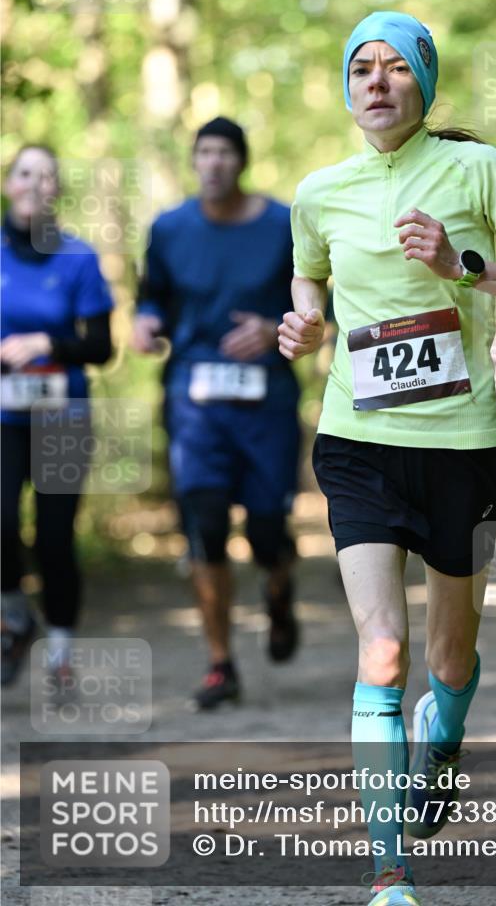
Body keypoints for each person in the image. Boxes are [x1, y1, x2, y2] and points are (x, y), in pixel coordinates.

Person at [279, 12, 496, 905]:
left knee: (447, 663)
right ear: (344, 84)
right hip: (357, 445)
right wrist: (307, 318)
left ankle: (441, 736)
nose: (375, 82)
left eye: (394, 68)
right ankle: (389, 871)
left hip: (461, 452)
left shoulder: (478, 169)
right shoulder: (318, 190)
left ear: (423, 82)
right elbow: (307, 272)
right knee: (381, 652)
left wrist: (463, 264)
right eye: (359, 68)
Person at [133, 117, 301, 712]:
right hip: (194, 401)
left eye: (225, 152)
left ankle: (279, 592)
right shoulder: (169, 227)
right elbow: (151, 292)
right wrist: (146, 320)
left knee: (264, 533)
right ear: (194, 160)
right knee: (204, 528)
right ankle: (220, 663)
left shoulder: (284, 223)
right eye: (203, 152)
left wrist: (275, 325)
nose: (213, 163)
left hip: (267, 405)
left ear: (242, 160)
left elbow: (315, 301)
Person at [1, 144, 114, 687]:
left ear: (57, 193)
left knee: (53, 539)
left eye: (47, 177)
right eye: (25, 174)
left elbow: (100, 348)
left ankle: (60, 652)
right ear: (9, 184)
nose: (34, 185)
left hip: (61, 416)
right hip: (2, 417)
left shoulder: (78, 257)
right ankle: (15, 613)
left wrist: (48, 340)